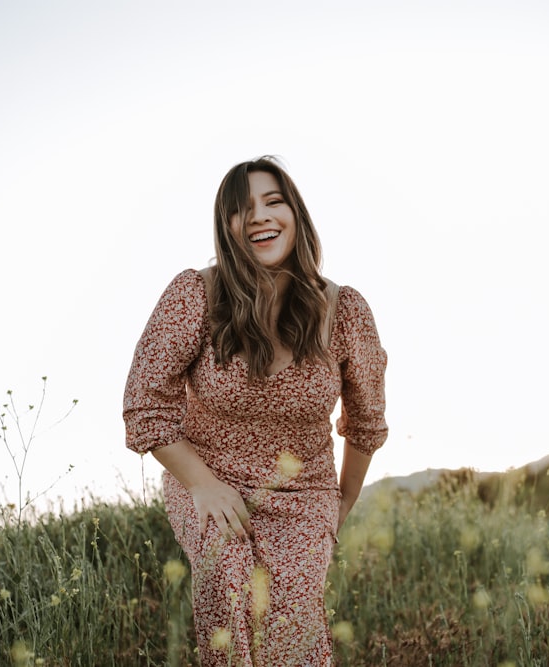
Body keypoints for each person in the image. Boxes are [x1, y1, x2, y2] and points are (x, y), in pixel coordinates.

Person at [123, 156, 387, 665]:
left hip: (304, 491)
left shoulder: (345, 310)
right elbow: (145, 404)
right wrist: (201, 484)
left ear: (295, 214)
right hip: (207, 476)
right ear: (228, 228)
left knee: (290, 629)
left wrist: (339, 507)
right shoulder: (194, 295)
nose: (261, 217)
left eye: (273, 201)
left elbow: (367, 422)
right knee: (228, 578)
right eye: (243, 210)